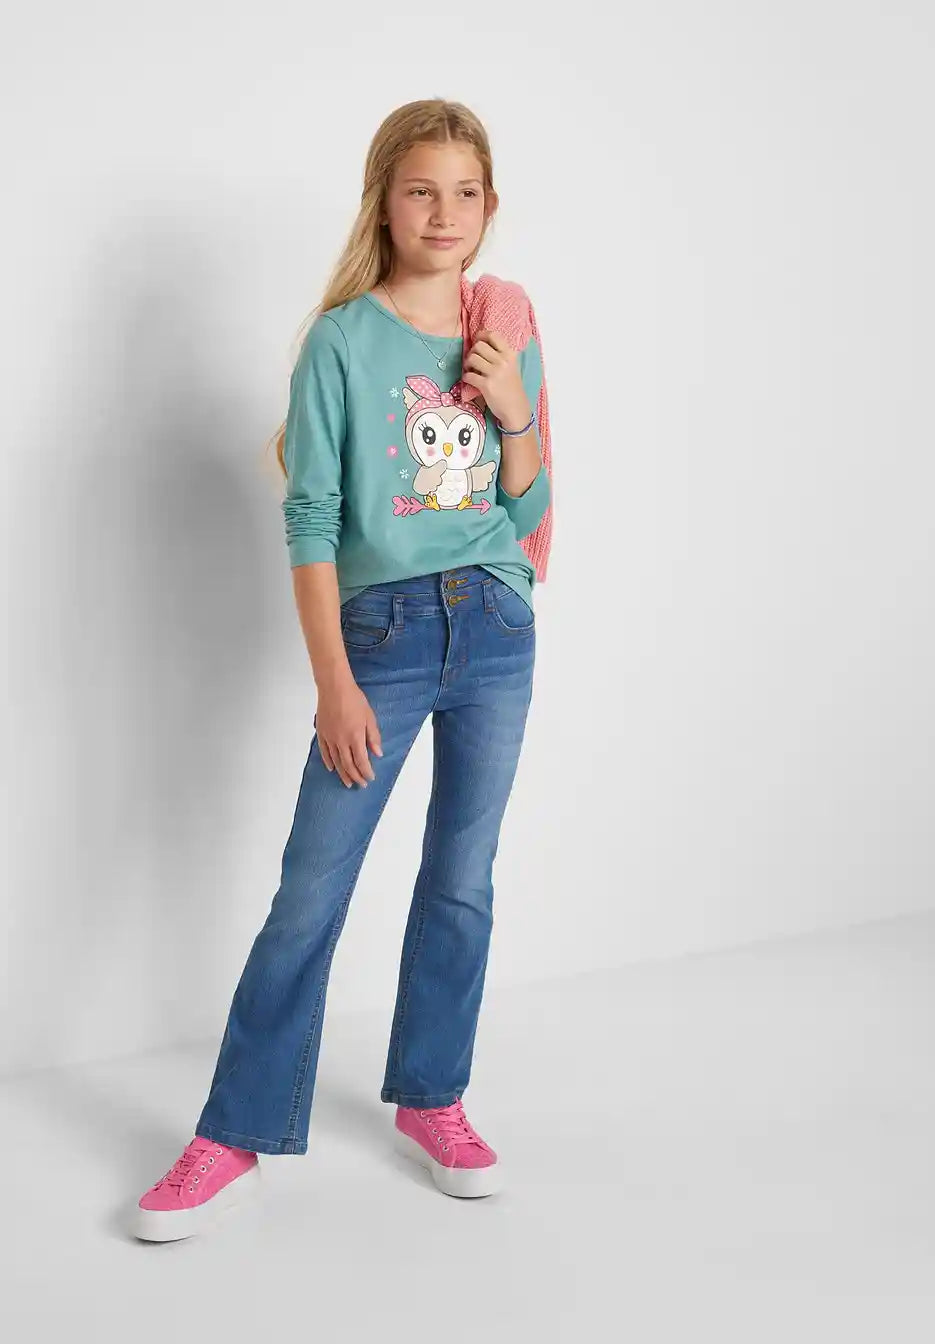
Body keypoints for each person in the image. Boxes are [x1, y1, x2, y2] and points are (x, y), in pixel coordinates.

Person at [132, 98, 552, 1242]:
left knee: (462, 881)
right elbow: (311, 520)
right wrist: (333, 681)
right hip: (383, 640)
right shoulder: (342, 343)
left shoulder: (505, 328)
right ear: (384, 201)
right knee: (310, 891)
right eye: (421, 190)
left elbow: (531, 517)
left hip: (495, 631)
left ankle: (433, 1098)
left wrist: (515, 412)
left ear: (491, 206)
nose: (444, 214)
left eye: (465, 193)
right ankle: (234, 1131)